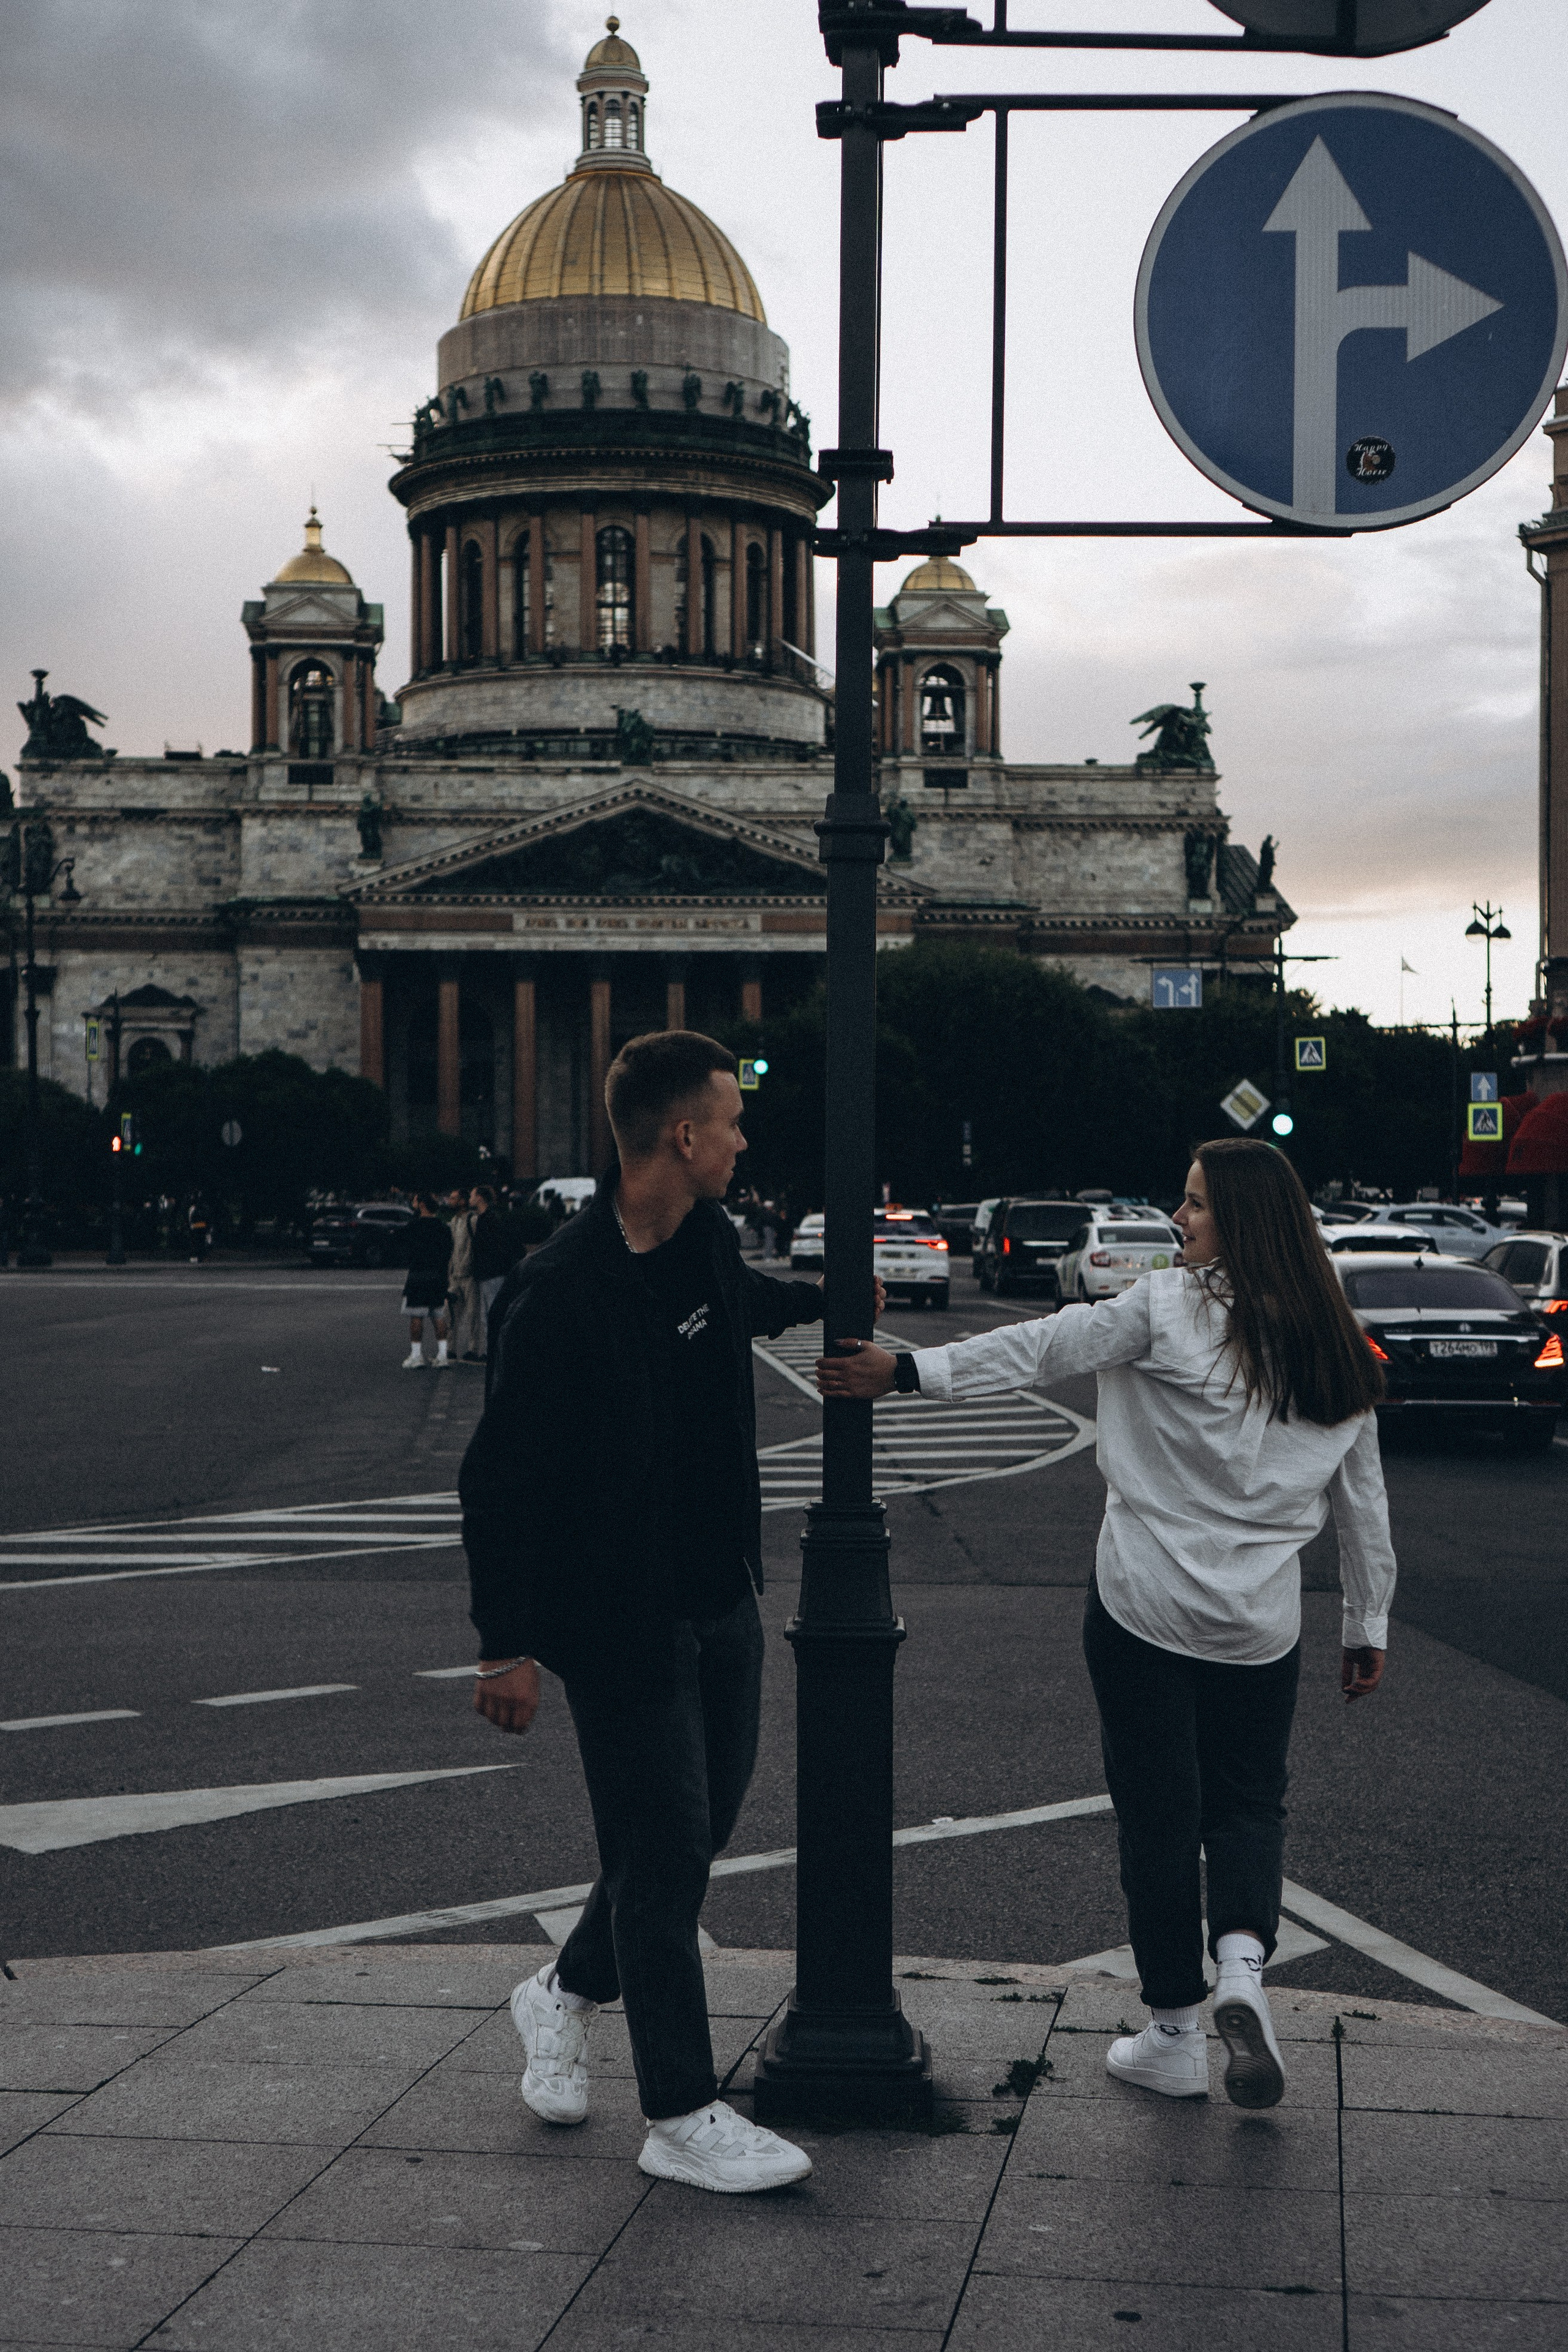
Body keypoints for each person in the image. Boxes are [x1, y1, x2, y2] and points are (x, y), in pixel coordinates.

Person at [816, 1136, 1396, 2112]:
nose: (1180, 1218)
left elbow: (1040, 1347)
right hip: (1262, 1621)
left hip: (1144, 1604)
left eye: (1198, 1204)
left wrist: (906, 1374)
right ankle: (1244, 1966)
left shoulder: (1165, 1309)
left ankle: (1174, 2030)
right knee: (1249, 1803)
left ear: (1243, 1221)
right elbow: (1364, 1502)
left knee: (1158, 1816)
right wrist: (1367, 1625)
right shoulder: (1339, 1342)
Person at [461, 1031, 859, 2193]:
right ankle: (681, 2111)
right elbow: (499, 1483)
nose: (743, 1139)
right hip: (616, 1621)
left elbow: (737, 1305)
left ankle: (563, 1989)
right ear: (682, 1138)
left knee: (695, 1823)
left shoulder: (705, 1244)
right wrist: (506, 1644)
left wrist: (830, 1301)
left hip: (719, 1596)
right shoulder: (560, 1289)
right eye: (731, 1122)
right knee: (671, 1848)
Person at [401, 1193, 453, 1369]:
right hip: (438, 1276)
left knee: (417, 1315)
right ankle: (443, 1355)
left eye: (415, 1200)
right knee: (438, 1315)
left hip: (418, 1276)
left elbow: (406, 1252)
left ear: (422, 1204)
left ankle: (416, 1356)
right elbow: (448, 1254)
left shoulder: (413, 1227)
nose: (413, 1203)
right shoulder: (444, 1228)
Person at [469, 1183, 516, 1351]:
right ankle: (495, 1349)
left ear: (480, 1198)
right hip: (488, 1273)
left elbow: (496, 1247)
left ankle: (498, 1350)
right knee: (489, 1314)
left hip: (492, 1273)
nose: (470, 1199)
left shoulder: (489, 1220)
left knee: (493, 1313)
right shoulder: (486, 1219)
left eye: (472, 1196)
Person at [446, 1187, 482, 1360]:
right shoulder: (454, 1221)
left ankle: (474, 1349)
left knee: (473, 1314)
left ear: (462, 1201)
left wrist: (470, 1267)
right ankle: (450, 1348)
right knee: (451, 1314)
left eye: (453, 1198)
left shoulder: (473, 1220)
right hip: (455, 1276)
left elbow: (475, 1248)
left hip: (469, 1276)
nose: (450, 1201)